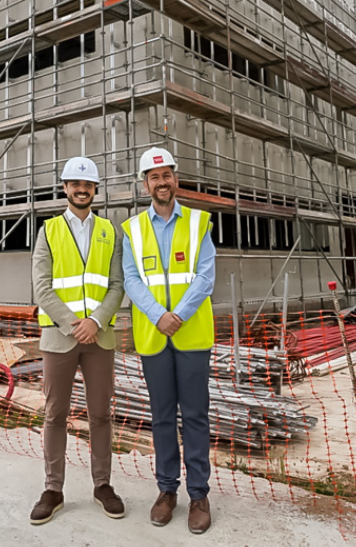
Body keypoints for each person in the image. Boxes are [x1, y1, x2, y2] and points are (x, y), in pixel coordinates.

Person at [121, 146, 215, 534]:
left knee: (194, 416)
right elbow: (130, 279)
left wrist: (179, 314)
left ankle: (198, 494)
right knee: (161, 418)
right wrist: (160, 315)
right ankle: (166, 490)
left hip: (191, 336)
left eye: (167, 175)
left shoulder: (198, 223)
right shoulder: (132, 229)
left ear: (175, 178)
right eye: (154, 177)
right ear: (146, 184)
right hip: (154, 337)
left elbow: (205, 276)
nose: (162, 182)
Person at [29, 156, 126, 526]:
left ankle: (103, 485)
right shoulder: (49, 231)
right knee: (55, 415)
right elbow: (42, 287)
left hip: (99, 338)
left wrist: (96, 321)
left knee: (101, 414)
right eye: (75, 184)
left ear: (95, 190)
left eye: (88, 185)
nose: (81, 189)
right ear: (66, 188)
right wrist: (74, 324)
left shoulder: (111, 231)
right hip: (59, 338)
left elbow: (117, 285)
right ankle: (53, 490)